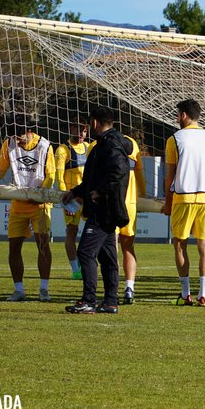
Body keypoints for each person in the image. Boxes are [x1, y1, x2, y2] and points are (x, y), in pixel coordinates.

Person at [0, 117, 55, 302]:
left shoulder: (45, 146)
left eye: (19, 138)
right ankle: (18, 290)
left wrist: (41, 193)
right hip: (18, 203)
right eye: (14, 138)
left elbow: (51, 175)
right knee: (14, 248)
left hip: (40, 205)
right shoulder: (8, 144)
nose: (17, 141)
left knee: (43, 246)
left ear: (29, 131)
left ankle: (44, 289)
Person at [63, 107, 132, 314]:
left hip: (104, 209)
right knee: (108, 257)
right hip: (107, 208)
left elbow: (119, 170)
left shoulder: (109, 144)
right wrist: (75, 191)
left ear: (94, 123)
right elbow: (92, 178)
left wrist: (99, 192)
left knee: (85, 252)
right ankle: (111, 302)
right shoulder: (106, 143)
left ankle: (89, 300)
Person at [162, 99, 205, 307]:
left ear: (183, 115)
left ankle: (185, 293)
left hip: (184, 196)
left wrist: (167, 200)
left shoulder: (175, 138)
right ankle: (203, 294)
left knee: (180, 245)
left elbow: (169, 175)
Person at [54, 118, 89, 280]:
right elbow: (59, 177)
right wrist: (65, 202)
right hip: (72, 200)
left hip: (88, 198)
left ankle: (85, 262)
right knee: (72, 233)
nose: (81, 134)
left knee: (92, 233)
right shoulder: (63, 150)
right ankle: (75, 269)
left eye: (84, 131)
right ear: (70, 128)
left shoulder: (89, 147)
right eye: (78, 130)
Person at [116, 131, 147, 304]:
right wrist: (143, 194)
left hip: (111, 203)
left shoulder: (96, 145)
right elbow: (139, 172)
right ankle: (129, 288)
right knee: (128, 246)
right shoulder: (132, 143)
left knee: (111, 246)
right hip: (130, 204)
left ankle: (112, 288)